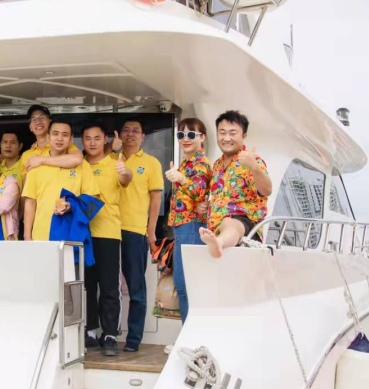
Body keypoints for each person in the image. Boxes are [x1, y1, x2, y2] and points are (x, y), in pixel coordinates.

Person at [81, 122, 132, 356]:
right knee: (86, 286)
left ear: (105, 140)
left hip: (108, 232)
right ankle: (90, 330)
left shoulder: (115, 163)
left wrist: (125, 172)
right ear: (82, 142)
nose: (92, 142)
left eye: (97, 138)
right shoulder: (77, 165)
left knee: (110, 286)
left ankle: (110, 334)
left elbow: (126, 178)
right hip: (82, 234)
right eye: (88, 138)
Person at [115, 119, 163, 353]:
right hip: (106, 230)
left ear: (143, 136)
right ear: (119, 135)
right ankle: (107, 334)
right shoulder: (110, 159)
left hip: (134, 230)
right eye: (126, 130)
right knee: (106, 287)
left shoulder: (151, 163)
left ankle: (134, 338)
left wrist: (151, 231)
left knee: (136, 286)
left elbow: (156, 199)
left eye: (136, 131)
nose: (131, 134)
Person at [199, 110, 272, 259]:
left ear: (244, 136)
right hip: (218, 230)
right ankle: (218, 242)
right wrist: (205, 207)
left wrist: (254, 167)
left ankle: (219, 243)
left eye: (232, 133)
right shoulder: (217, 165)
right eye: (222, 133)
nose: (226, 138)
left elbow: (267, 190)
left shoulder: (252, 160)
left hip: (246, 231)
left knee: (230, 222)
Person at [164, 118, 212, 322]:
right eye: (181, 134)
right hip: (183, 227)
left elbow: (198, 191)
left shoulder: (201, 163)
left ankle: (190, 334)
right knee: (184, 285)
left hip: (191, 226)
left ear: (202, 137)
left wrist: (181, 178)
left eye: (191, 134)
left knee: (187, 285)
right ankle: (189, 332)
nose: (185, 139)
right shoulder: (187, 162)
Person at [22, 120, 100, 242]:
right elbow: (30, 203)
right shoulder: (36, 165)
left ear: (71, 139)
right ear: (48, 137)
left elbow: (94, 200)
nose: (59, 138)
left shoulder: (83, 166)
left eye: (65, 135)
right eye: (55, 134)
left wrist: (73, 208)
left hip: (73, 237)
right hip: (41, 236)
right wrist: (27, 236)